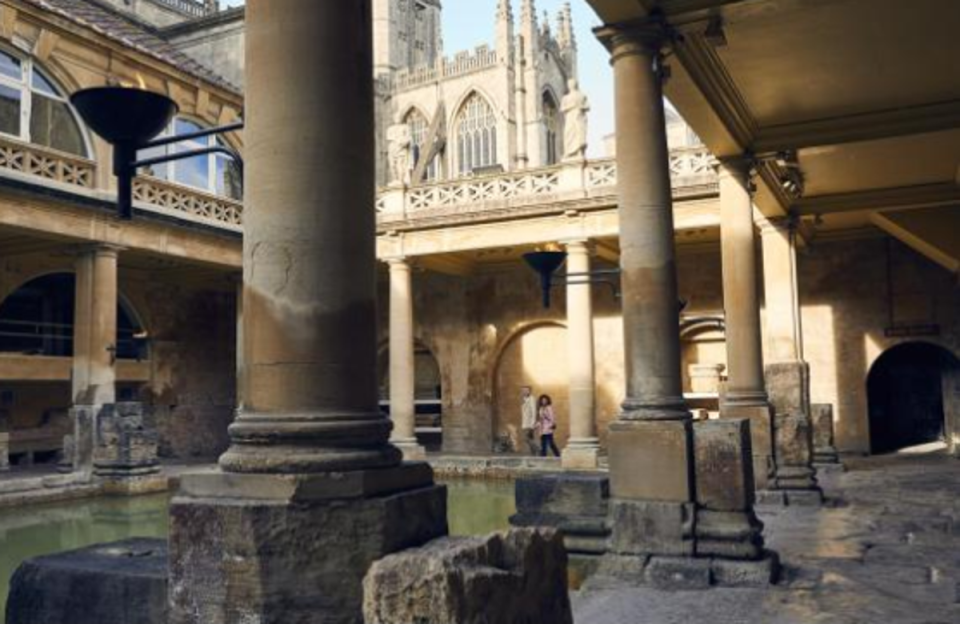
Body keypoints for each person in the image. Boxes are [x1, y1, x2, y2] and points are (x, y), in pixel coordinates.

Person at [520, 386, 538, 455]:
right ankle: (534, 453)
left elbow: (533, 411)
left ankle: (537, 448)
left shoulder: (532, 399)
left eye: (526, 390)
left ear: (529, 391)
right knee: (531, 438)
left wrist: (532, 424)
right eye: (523, 390)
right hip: (525, 422)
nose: (524, 391)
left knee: (526, 438)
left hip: (529, 423)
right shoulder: (524, 399)